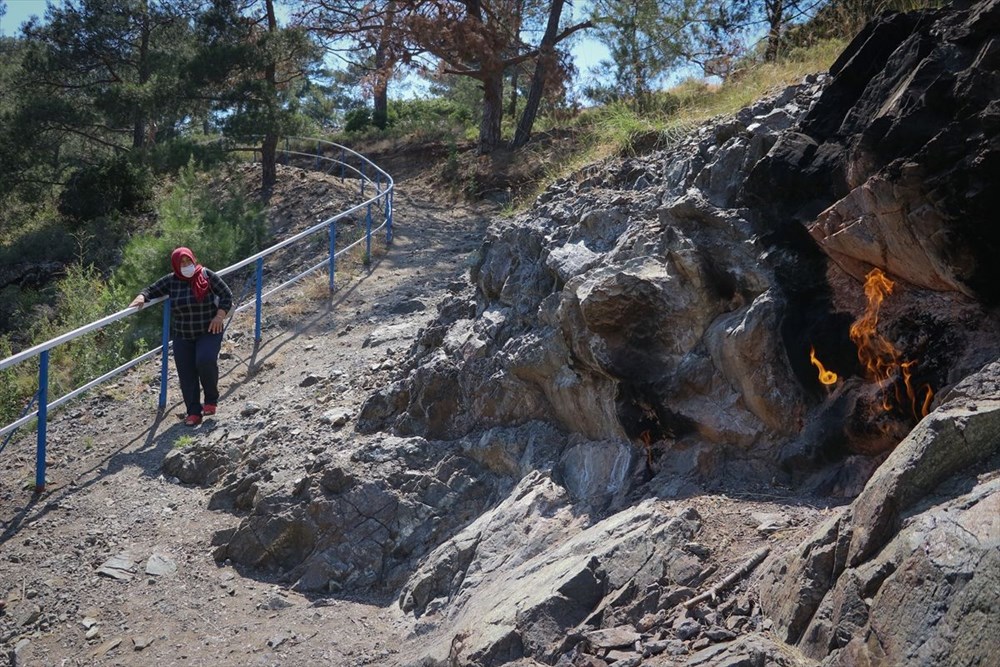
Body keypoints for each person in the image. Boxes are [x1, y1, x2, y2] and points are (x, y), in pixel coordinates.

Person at [130, 247, 233, 426]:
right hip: (183, 334)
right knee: (186, 373)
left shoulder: (206, 275)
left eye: (188, 261)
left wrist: (219, 316)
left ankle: (211, 400)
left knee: (205, 361)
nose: (186, 265)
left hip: (209, 330)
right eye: (181, 263)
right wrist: (141, 297)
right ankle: (193, 412)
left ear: (193, 259)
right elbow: (151, 290)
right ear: (176, 266)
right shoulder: (171, 281)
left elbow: (226, 294)